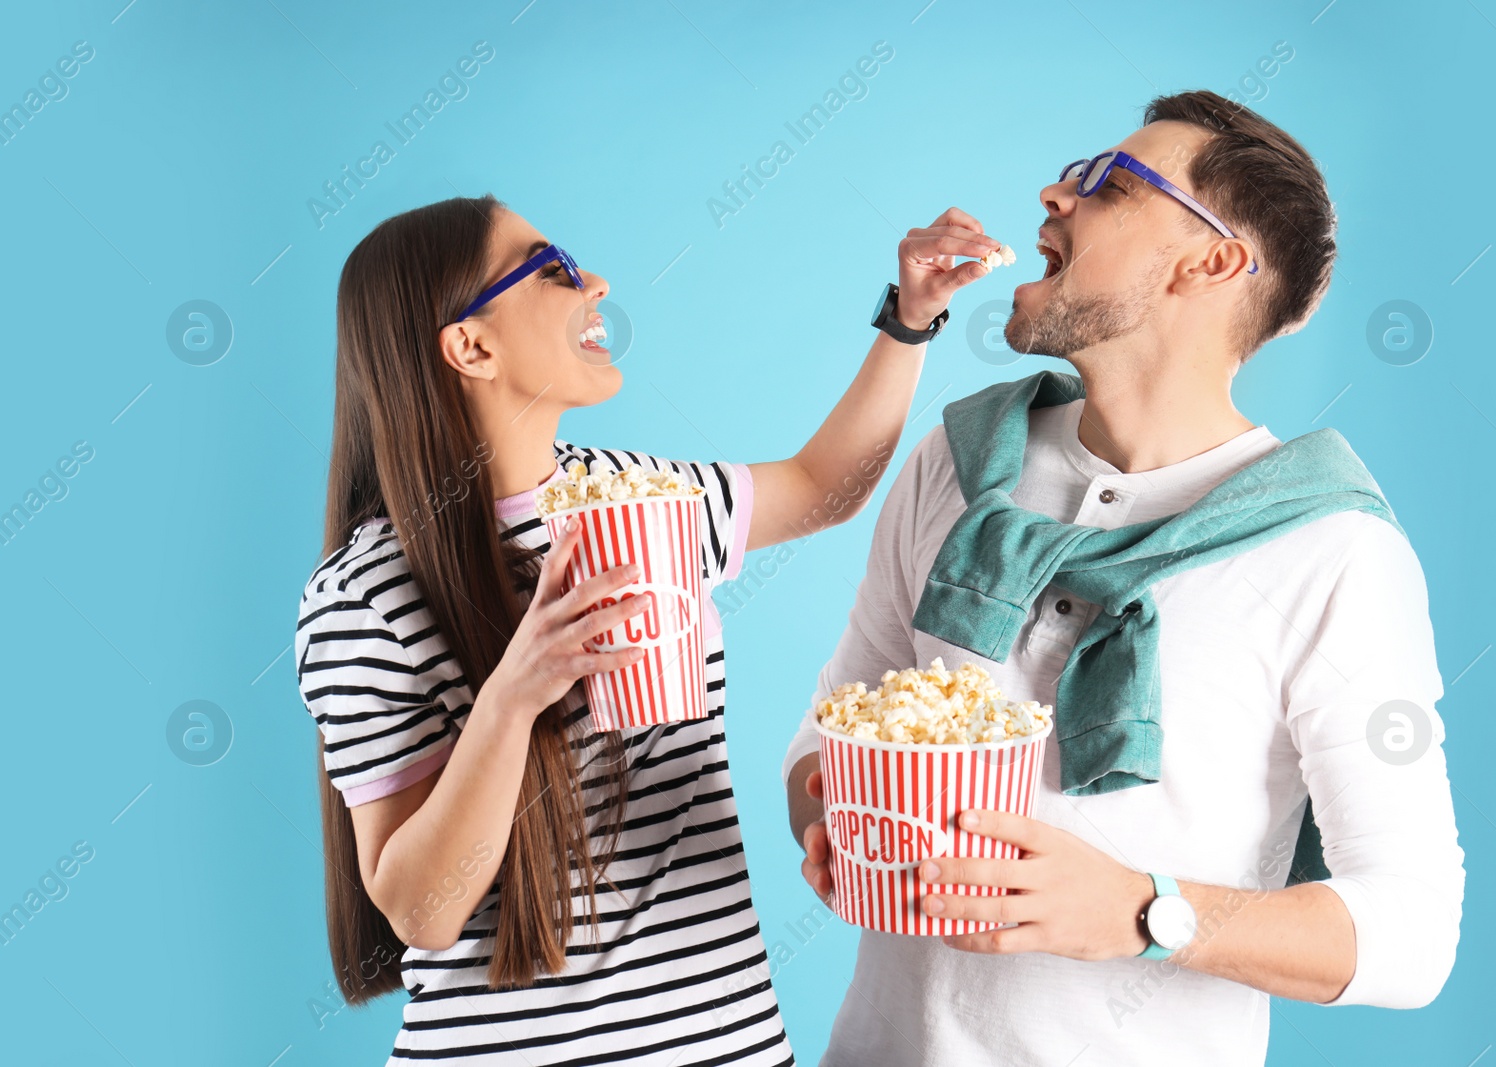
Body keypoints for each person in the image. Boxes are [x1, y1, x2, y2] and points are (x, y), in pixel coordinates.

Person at [783, 89, 1466, 1066]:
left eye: (1106, 182)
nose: (1054, 194)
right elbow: (829, 728)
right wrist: (832, 812)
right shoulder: (957, 463)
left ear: (1213, 259)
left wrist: (1144, 909)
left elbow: (1412, 932)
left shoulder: (1330, 552)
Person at [294, 192, 1001, 1064]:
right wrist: (516, 693)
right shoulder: (365, 592)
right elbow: (422, 910)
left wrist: (911, 320)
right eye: (550, 269)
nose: (593, 282)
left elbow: (825, 486)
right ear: (470, 346)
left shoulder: (643, 496)